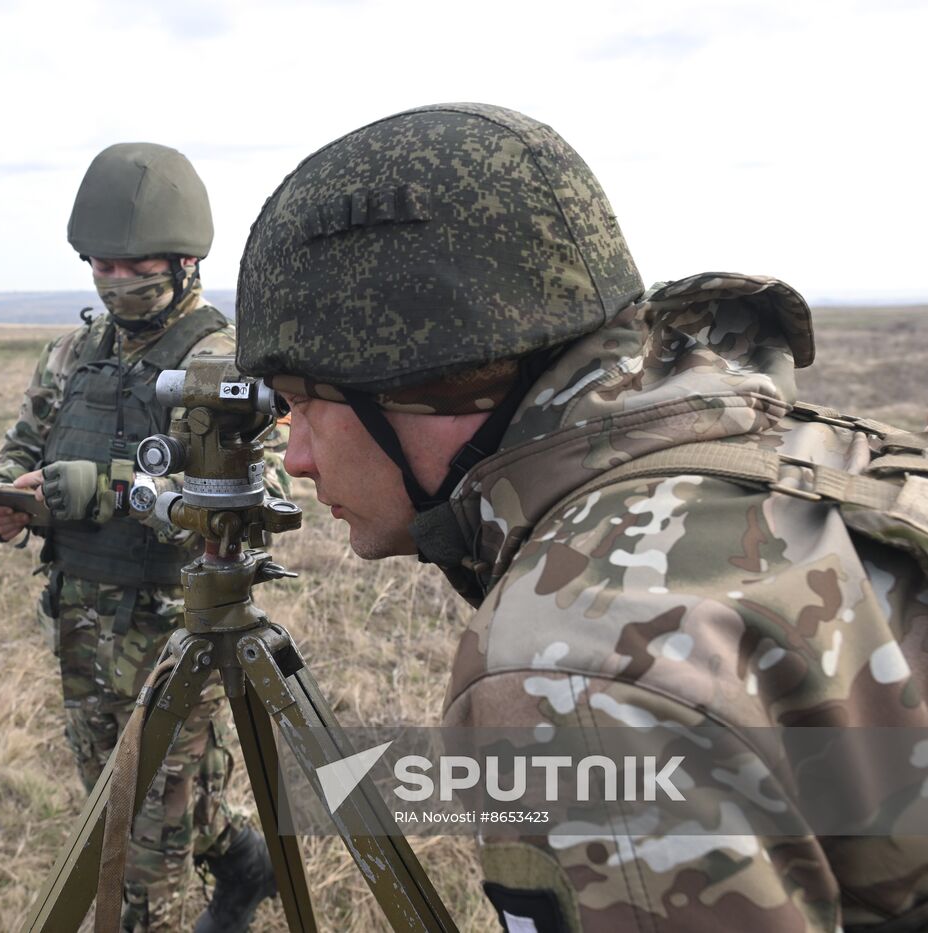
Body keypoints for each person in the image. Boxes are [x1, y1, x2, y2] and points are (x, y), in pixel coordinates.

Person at [234, 103, 928, 932]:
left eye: (304, 402)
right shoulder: (815, 451)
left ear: (419, 386)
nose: (298, 455)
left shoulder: (570, 668)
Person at [0, 142, 281, 932]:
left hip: (178, 636)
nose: (115, 283)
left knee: (138, 853)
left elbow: (253, 500)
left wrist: (104, 489)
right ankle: (246, 864)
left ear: (182, 260)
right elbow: (23, 448)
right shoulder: (74, 355)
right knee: (131, 802)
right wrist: (5, 503)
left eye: (131, 266)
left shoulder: (223, 363)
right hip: (81, 625)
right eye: (99, 267)